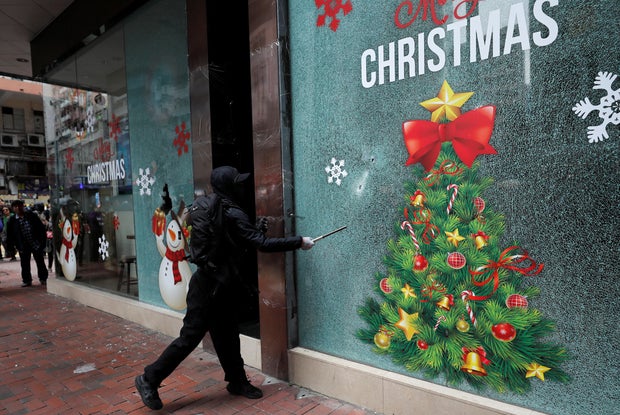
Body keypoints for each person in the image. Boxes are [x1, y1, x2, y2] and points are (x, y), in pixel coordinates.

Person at [135, 166, 315, 410]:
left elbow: (230, 241)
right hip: (209, 286)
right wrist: (299, 242)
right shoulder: (230, 211)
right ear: (228, 185)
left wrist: (252, 230)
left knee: (227, 335)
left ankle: (237, 381)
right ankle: (148, 378)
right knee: (189, 339)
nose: (241, 186)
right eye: (237, 182)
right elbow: (261, 244)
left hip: (216, 284)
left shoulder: (216, 208)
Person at [6, 200, 48, 287]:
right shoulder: (12, 220)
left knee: (40, 261)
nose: (17, 208)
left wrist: (42, 242)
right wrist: (11, 247)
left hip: (35, 243)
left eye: (19, 206)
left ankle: (43, 278)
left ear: (22, 206)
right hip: (23, 245)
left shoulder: (31, 215)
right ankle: (27, 280)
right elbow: (10, 235)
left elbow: (41, 229)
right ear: (13, 208)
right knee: (24, 263)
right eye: (15, 206)